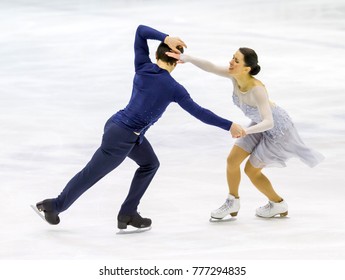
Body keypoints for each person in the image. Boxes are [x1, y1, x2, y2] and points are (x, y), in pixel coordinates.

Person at [35, 25, 244, 230]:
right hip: (122, 137)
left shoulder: (143, 66)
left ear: (156, 54)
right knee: (91, 174)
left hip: (121, 128)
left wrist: (166, 36)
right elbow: (200, 113)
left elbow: (141, 31)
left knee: (150, 164)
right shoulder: (174, 88)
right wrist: (230, 125)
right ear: (178, 62)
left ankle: (128, 213)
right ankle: (54, 205)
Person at [166, 47, 324, 219]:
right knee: (232, 160)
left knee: (251, 171)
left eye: (236, 60)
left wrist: (245, 131)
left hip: (279, 130)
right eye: (232, 57)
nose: (231, 62)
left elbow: (269, 122)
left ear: (247, 69)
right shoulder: (234, 76)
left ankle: (278, 203)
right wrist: (187, 58)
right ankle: (233, 202)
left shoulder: (257, 89)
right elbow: (211, 67)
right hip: (259, 124)